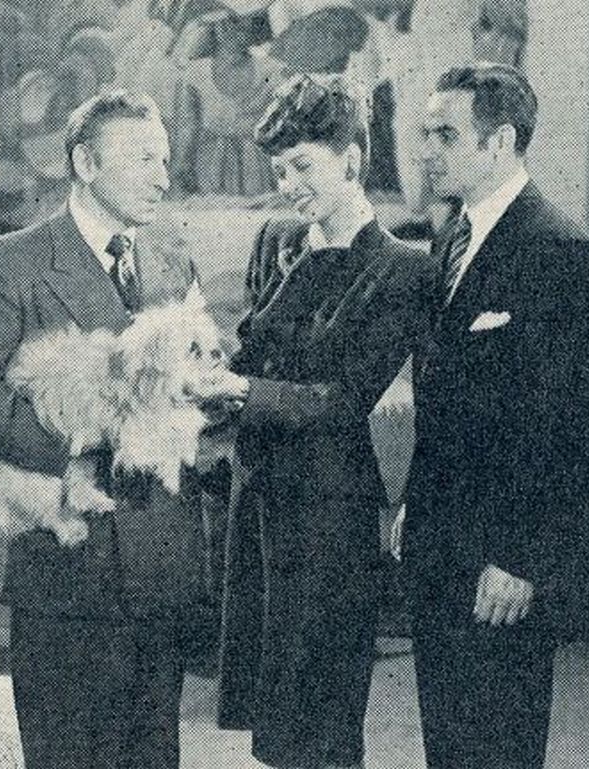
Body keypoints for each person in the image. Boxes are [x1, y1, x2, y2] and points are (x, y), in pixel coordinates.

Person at [0, 90, 205, 769]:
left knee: (151, 754)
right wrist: (73, 448)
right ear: (84, 161)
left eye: (164, 159)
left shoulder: (169, 260)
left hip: (159, 560)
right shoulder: (14, 262)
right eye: (142, 159)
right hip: (73, 570)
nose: (161, 175)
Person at [187, 73, 429, 769]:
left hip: (328, 514)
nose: (288, 183)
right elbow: (251, 348)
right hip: (257, 502)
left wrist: (239, 391)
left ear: (352, 159)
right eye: (278, 169)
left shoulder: (402, 270)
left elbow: (341, 399)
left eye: (302, 167)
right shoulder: (276, 242)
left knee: (321, 713)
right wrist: (205, 373)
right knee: (272, 716)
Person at [389, 63, 589, 768]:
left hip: (500, 563)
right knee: (450, 748)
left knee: (496, 748)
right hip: (439, 548)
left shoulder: (559, 251)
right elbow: (447, 399)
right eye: (425, 131)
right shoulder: (451, 239)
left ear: (501, 141)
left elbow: (571, 428)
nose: (426, 148)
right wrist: (413, 503)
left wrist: (520, 557)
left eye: (444, 133)